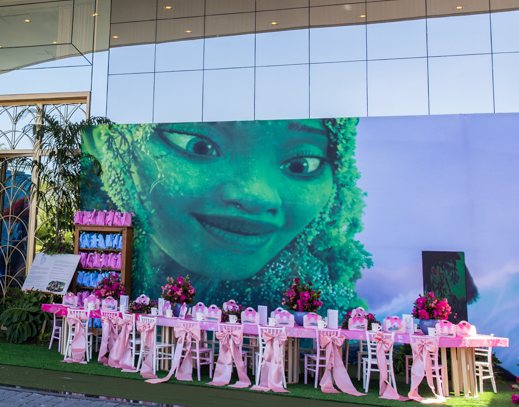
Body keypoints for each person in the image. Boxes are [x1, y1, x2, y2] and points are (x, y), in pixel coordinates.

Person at [81, 118, 371, 311]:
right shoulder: (96, 253)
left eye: (301, 164)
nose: (256, 196)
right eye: (199, 146)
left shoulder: (319, 307)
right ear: (101, 140)